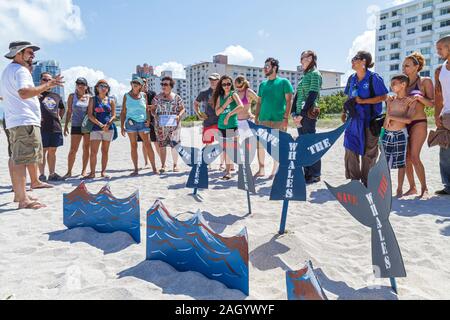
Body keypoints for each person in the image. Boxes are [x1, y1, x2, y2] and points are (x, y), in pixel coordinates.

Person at [0, 41, 64, 209]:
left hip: (15, 121)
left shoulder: (8, 71)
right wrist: (47, 85)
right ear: (18, 53)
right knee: (21, 160)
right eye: (29, 52)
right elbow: (24, 93)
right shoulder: (20, 70)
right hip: (24, 122)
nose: (33, 55)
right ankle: (23, 200)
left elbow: (5, 96)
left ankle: (20, 195)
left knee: (16, 158)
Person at [342, 51, 388, 187]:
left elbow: (384, 96)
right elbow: (348, 97)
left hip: (370, 121)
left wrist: (364, 101)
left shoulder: (374, 78)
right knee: (350, 149)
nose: (352, 61)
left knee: (369, 153)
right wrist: (343, 111)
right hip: (353, 120)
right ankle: (354, 182)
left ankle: (368, 182)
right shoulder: (351, 78)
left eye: (355, 59)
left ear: (364, 61)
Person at [398, 52, 435, 198]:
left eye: (407, 65)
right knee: (406, 157)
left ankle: (424, 188)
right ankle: (412, 187)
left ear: (416, 67)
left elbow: (432, 103)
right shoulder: (403, 84)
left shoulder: (425, 81)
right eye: (403, 65)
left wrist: (419, 97)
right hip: (404, 123)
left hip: (419, 122)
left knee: (414, 156)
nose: (404, 68)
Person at [255, 58, 294, 179]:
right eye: (264, 66)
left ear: (275, 67)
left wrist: (286, 118)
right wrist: (256, 117)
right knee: (260, 145)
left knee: (278, 146)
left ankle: (274, 171)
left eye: (267, 66)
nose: (265, 68)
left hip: (279, 119)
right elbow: (259, 102)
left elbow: (289, 101)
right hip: (263, 119)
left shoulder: (284, 82)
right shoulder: (262, 85)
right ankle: (261, 169)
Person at [382, 75, 417, 197]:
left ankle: (399, 189)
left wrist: (391, 117)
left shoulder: (410, 101)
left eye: (394, 83)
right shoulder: (391, 100)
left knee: (401, 163)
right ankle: (385, 188)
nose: (392, 86)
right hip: (387, 134)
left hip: (400, 134)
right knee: (384, 162)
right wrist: (388, 111)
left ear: (403, 85)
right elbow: (387, 119)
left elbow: (408, 120)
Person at [292, 50, 323, 184]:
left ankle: (315, 174)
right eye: (301, 58)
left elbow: (312, 95)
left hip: (308, 115)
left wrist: (302, 114)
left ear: (311, 58)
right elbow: (297, 95)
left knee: (311, 143)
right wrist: (293, 113)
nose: (301, 61)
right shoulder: (305, 76)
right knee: (303, 144)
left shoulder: (315, 74)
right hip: (299, 115)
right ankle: (307, 173)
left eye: (304, 58)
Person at [120, 76, 157, 175]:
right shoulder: (126, 96)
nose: (135, 84)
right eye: (133, 82)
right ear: (131, 84)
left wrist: (148, 119)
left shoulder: (144, 95)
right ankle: (136, 169)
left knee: (148, 144)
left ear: (141, 85)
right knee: (133, 146)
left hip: (143, 123)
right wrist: (122, 125)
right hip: (130, 123)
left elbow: (146, 109)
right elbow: (123, 112)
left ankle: (154, 168)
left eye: (137, 83)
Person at [151, 76, 185, 174]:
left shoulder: (177, 97)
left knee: (174, 145)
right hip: (160, 126)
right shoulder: (157, 97)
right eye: (162, 84)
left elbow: (183, 108)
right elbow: (152, 109)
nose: (163, 86)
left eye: (165, 84)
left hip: (174, 125)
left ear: (171, 86)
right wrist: (154, 115)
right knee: (162, 145)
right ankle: (163, 165)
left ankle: (175, 165)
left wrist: (179, 115)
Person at [213, 75, 244, 180]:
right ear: (221, 85)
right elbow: (217, 113)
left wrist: (229, 115)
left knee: (233, 149)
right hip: (221, 127)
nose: (226, 86)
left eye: (228, 84)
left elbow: (241, 106)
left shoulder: (233, 94)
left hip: (231, 126)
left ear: (231, 85)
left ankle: (236, 168)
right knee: (226, 150)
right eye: (224, 84)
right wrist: (226, 103)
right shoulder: (220, 97)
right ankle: (227, 171)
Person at [84, 79, 116, 180]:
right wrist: (101, 124)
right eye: (101, 86)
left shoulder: (111, 100)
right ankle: (92, 173)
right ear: (97, 88)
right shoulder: (93, 99)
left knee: (105, 151)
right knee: (93, 152)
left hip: (108, 128)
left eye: (105, 86)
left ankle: (103, 172)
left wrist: (108, 124)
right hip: (96, 128)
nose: (103, 88)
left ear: (108, 89)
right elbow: (89, 115)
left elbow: (114, 115)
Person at [38, 72, 66, 182]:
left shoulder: (57, 96)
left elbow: (62, 108)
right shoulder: (37, 94)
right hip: (42, 128)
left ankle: (52, 174)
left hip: (55, 127)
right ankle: (41, 175)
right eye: (45, 79)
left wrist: (60, 116)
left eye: (49, 80)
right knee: (42, 151)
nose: (47, 82)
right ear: (41, 81)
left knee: (52, 151)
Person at [63, 77, 92, 179]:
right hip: (75, 125)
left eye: (82, 84)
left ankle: (84, 171)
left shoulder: (90, 97)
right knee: (73, 149)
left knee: (86, 148)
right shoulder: (72, 96)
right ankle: (69, 171)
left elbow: (91, 113)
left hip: (87, 126)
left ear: (86, 86)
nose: (80, 85)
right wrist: (66, 125)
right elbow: (69, 111)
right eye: (78, 83)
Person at [435, 36, 450, 196]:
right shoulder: (440, 70)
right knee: (445, 151)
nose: (438, 52)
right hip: (446, 115)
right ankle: (448, 187)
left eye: (440, 48)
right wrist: (437, 116)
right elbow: (438, 94)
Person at [234, 75, 258, 142]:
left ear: (245, 84)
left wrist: (257, 115)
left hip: (247, 121)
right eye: (237, 87)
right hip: (237, 122)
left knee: (248, 145)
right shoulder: (235, 93)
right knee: (236, 145)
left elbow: (260, 102)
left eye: (240, 86)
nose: (239, 88)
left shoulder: (248, 92)